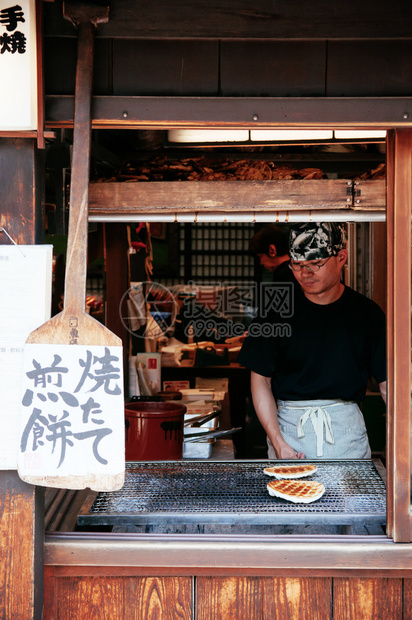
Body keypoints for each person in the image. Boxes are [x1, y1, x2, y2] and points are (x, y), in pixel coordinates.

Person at [237, 222, 387, 460]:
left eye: (315, 264)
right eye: (297, 265)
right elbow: (260, 380)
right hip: (288, 432)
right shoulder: (274, 313)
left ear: (341, 257)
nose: (305, 273)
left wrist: (402, 436)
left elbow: (387, 384)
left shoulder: (367, 314)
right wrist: (277, 441)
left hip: (346, 433)